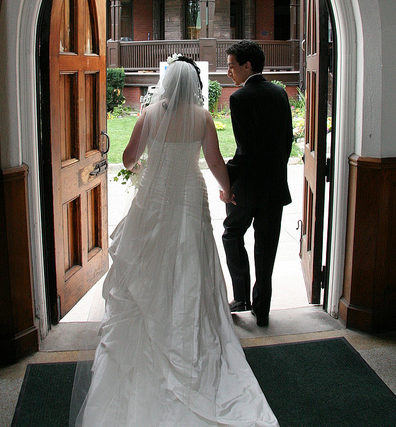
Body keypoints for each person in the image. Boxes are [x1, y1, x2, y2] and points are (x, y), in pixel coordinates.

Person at [71, 55, 280, 427]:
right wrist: (227, 191)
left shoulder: (148, 114)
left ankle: (152, 328)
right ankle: (187, 332)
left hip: (153, 199)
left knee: (149, 261)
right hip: (188, 197)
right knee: (189, 263)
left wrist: (140, 167)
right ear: (196, 85)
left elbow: (129, 158)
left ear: (167, 84)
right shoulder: (202, 117)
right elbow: (215, 162)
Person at [221, 40, 293, 327]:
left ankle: (241, 297)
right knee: (266, 246)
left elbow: (246, 150)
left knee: (231, 233)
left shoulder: (239, 98)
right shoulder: (280, 93)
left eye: (231, 66)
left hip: (248, 188)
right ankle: (262, 309)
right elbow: (287, 142)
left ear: (247, 65)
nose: (229, 72)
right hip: (274, 186)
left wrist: (227, 179)